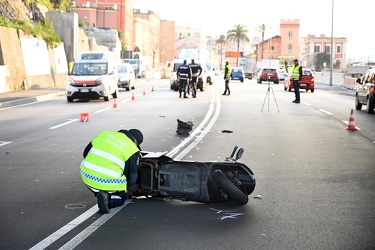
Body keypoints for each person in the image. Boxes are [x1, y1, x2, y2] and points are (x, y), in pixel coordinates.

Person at [80, 129, 143, 214]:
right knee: (123, 196)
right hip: (108, 181)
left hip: (86, 175)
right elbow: (131, 179)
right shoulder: (132, 148)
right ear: (135, 141)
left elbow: (85, 153)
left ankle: (100, 193)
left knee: (99, 188)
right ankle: (109, 201)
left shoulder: (104, 134)